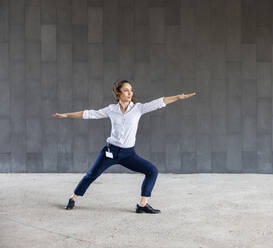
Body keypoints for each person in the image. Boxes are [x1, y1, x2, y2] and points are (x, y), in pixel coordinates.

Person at [53, 80, 196, 214]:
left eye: (131, 90)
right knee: (91, 175)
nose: (130, 93)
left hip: (128, 154)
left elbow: (160, 102)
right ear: (118, 93)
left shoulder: (138, 109)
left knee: (152, 171)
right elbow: (89, 114)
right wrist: (66, 115)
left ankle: (142, 205)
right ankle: (73, 198)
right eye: (126, 90)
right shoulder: (111, 109)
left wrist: (177, 97)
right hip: (110, 151)